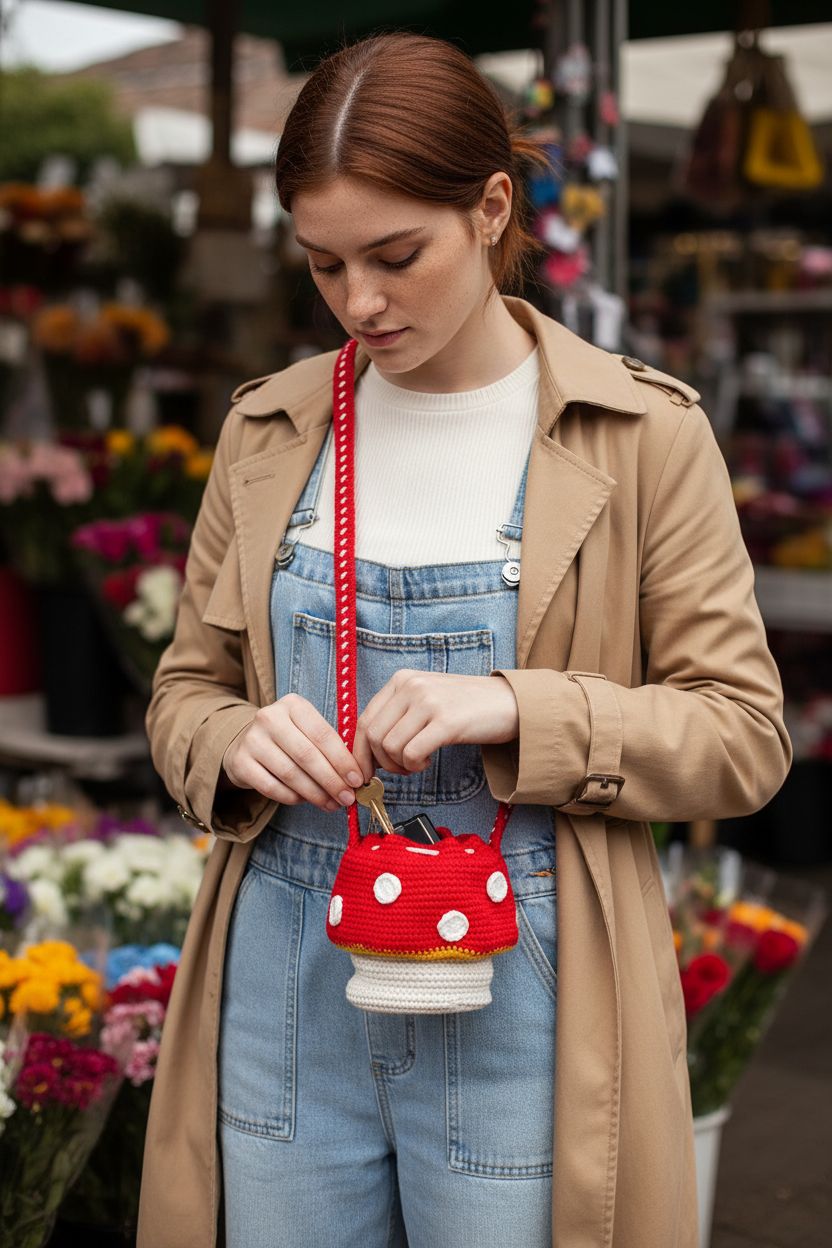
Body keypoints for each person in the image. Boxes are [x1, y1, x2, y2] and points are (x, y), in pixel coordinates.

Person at [136, 31, 791, 1248]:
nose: (360, 303)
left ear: (492, 208)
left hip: (531, 995)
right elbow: (183, 691)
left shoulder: (638, 436)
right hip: (288, 981)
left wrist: (516, 706)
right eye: (323, 266)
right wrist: (231, 739)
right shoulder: (268, 431)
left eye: (396, 256)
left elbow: (744, 737)